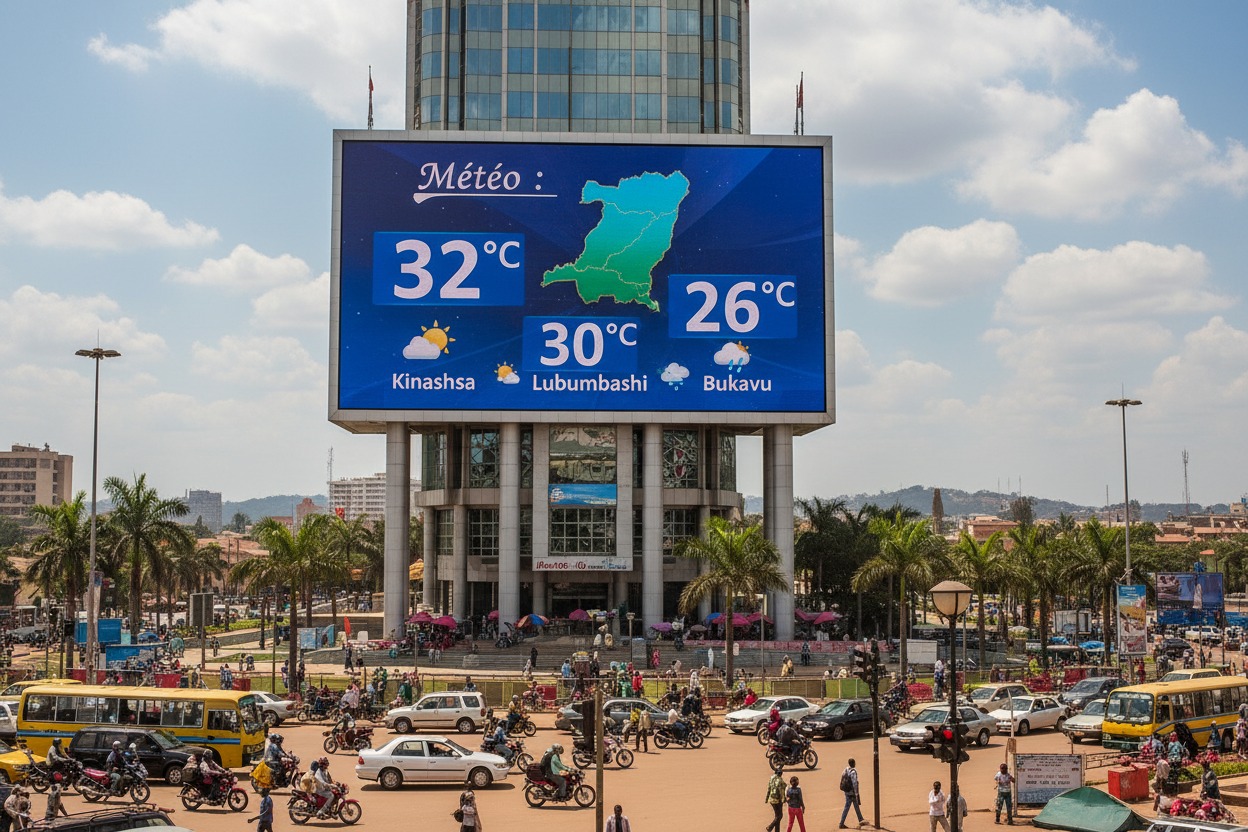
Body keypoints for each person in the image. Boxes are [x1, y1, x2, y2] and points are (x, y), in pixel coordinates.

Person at [838, 758, 865, 828]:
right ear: (853, 764)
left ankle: (861, 819)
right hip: (851, 792)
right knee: (847, 807)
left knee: (855, 805)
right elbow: (854, 783)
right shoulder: (853, 772)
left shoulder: (846, 769)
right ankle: (841, 823)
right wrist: (856, 794)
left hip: (846, 791)